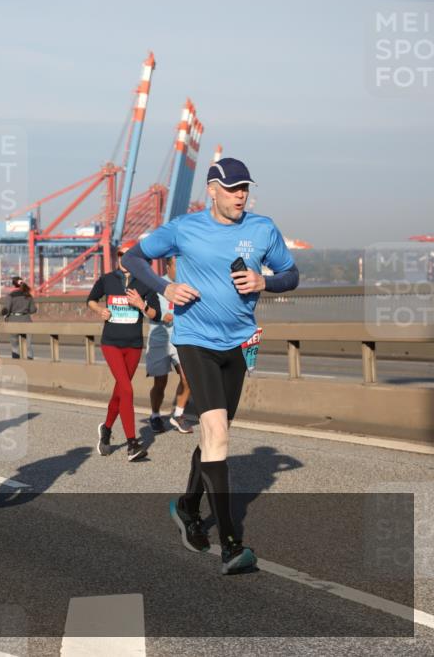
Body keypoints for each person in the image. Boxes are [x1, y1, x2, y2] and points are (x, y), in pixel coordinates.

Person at [123, 157, 299, 575]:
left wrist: (264, 282)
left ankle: (187, 506)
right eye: (234, 188)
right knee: (217, 431)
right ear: (213, 191)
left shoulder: (262, 229)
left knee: (214, 434)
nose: (241, 194)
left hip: (238, 343)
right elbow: (132, 259)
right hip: (194, 340)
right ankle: (232, 544)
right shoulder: (185, 228)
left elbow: (291, 275)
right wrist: (167, 286)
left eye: (245, 187)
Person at [86, 240, 160, 461]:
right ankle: (132, 444)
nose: (123, 258)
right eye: (120, 254)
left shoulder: (145, 281)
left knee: (120, 391)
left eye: (128, 255)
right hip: (111, 343)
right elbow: (90, 300)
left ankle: (106, 430)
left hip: (134, 345)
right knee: (127, 390)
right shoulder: (108, 279)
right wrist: (100, 310)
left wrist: (141, 305)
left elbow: (155, 313)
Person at [145, 256, 193, 434]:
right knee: (160, 382)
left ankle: (178, 415)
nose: (180, 270)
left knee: (189, 378)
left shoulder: (189, 283)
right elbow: (145, 308)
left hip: (183, 339)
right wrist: (162, 314)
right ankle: (155, 415)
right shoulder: (156, 284)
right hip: (160, 339)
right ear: (168, 266)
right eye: (176, 266)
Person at [0, 276, 37, 359]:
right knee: (28, 345)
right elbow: (33, 310)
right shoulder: (28, 295)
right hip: (27, 321)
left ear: (13, 285)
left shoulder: (10, 296)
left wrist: (3, 313)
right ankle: (31, 364)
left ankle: (16, 362)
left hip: (13, 321)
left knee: (15, 345)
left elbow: (6, 309)